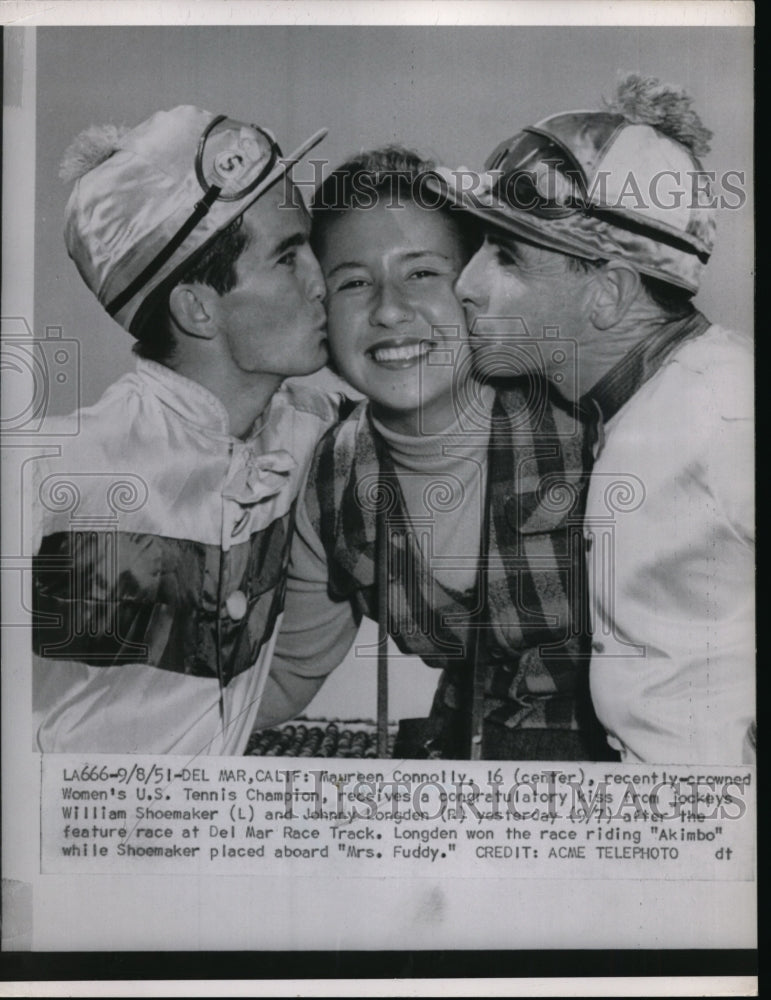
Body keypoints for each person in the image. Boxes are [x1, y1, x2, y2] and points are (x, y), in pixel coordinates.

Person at [430, 75, 754, 764]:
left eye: (507, 257)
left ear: (606, 292)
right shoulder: (649, 404)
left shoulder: (724, 409)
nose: (465, 285)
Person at [258, 146, 615, 761]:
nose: (389, 310)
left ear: (478, 284)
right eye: (353, 282)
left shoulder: (590, 421)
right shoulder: (327, 487)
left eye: (421, 273)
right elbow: (282, 678)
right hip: (466, 796)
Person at [32, 105, 339, 754]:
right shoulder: (52, 476)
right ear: (197, 308)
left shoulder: (315, 434)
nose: (322, 281)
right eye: (287, 258)